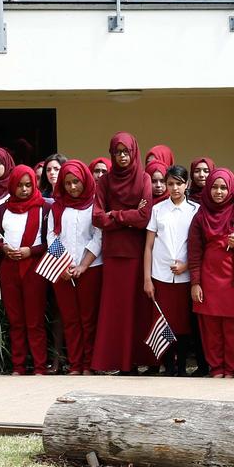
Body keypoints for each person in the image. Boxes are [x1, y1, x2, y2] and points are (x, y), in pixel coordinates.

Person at [91, 132, 154, 373]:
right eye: (118, 152)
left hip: (135, 253)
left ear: (134, 152)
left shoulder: (144, 179)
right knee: (114, 309)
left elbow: (144, 217)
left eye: (126, 151)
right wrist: (128, 215)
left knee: (134, 310)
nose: (123, 156)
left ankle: (135, 360)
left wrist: (114, 214)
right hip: (113, 253)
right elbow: (97, 218)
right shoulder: (105, 182)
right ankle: (114, 361)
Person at [0, 165, 48, 376]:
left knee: (35, 321)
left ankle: (40, 367)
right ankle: (18, 366)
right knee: (15, 321)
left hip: (34, 269)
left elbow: (50, 242)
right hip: (9, 270)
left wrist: (29, 251)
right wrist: (3, 248)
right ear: (12, 186)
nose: (24, 190)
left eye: (28, 185)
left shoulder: (44, 208)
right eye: (19, 185)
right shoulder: (2, 210)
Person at [189, 167, 234, 377]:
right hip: (208, 277)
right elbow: (194, 251)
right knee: (210, 327)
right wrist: (195, 282)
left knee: (233, 327)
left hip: (233, 277)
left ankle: (231, 368)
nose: (219, 192)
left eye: (223, 187)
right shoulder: (200, 215)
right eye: (214, 187)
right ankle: (216, 368)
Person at [143, 165, 197, 375]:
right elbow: (148, 246)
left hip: (185, 276)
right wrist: (147, 278)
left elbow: (198, 245)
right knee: (163, 321)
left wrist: (186, 265)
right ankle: (168, 366)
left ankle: (182, 367)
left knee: (182, 324)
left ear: (187, 184)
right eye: (170, 184)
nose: (174, 188)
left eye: (179, 183)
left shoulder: (195, 210)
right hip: (160, 275)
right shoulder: (158, 209)